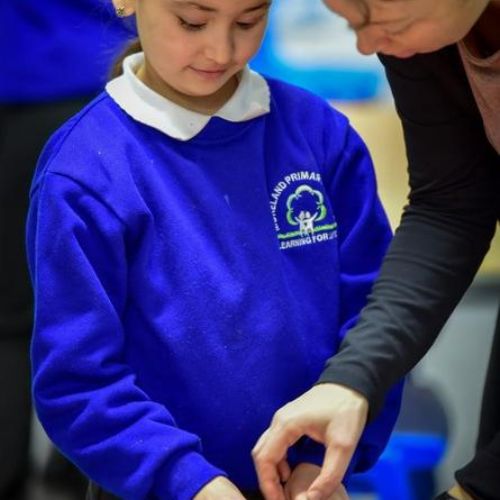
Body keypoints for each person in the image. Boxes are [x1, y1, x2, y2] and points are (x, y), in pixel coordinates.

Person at [26, 0, 404, 498]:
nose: (222, 50)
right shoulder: (84, 172)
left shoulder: (320, 136)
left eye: (249, 21)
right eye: (193, 22)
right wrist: (188, 481)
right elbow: (78, 383)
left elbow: (376, 318)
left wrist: (321, 462)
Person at [252, 1, 500, 499]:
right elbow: (452, 203)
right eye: (348, 19)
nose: (366, 45)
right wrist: (351, 379)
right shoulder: (417, 26)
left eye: (368, 11)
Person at [0, 2, 130, 498]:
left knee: (12, 315)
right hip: (91, 85)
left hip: (25, 90)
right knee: (107, 300)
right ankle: (78, 472)